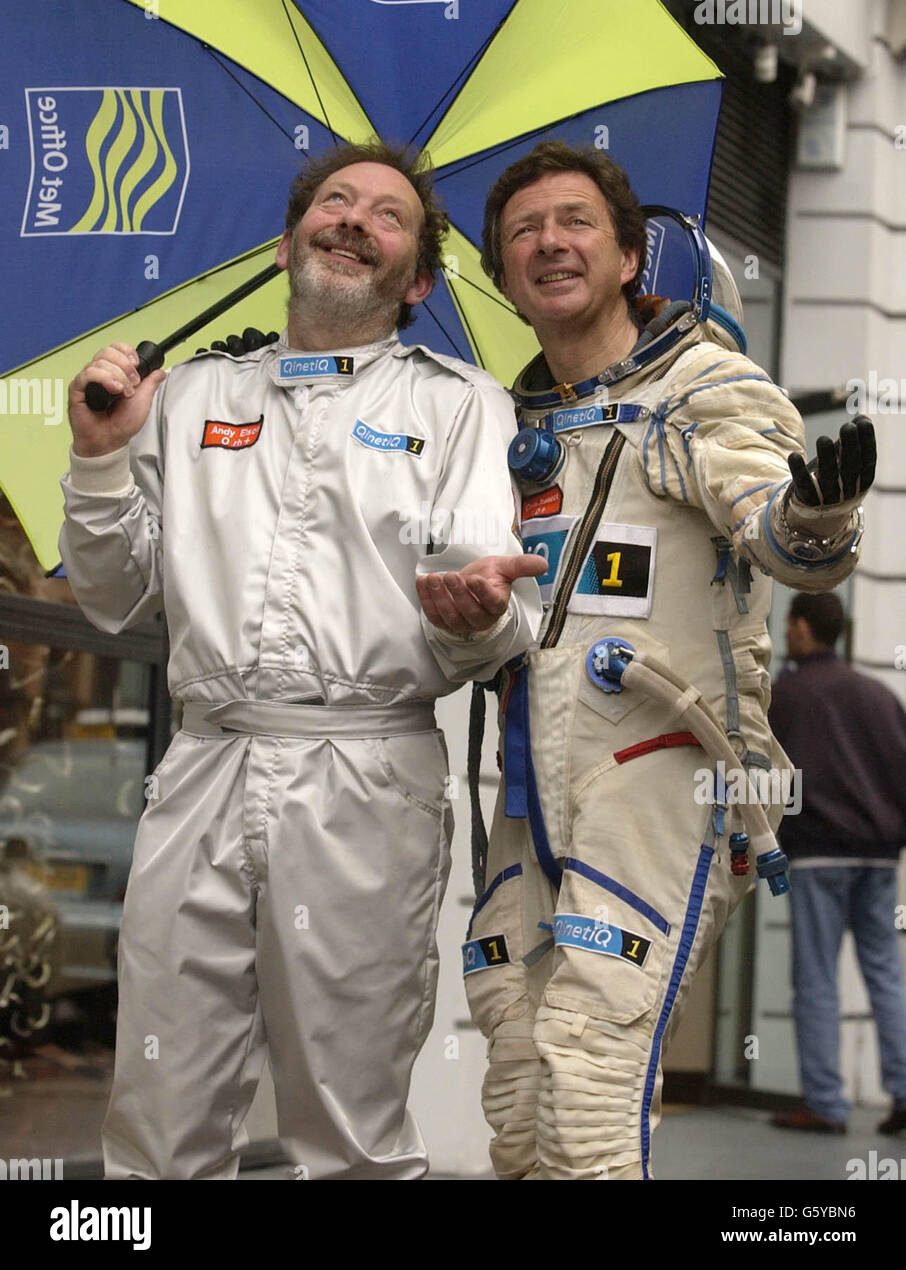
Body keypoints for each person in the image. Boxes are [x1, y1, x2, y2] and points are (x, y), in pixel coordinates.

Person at [59, 140, 544, 1181]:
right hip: (200, 769)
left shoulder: (462, 406)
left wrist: (474, 617)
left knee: (347, 1127)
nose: (354, 219)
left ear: (415, 279)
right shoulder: (181, 398)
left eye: (387, 216)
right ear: (288, 245)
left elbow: (497, 610)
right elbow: (109, 599)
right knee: (158, 1110)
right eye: (335, 201)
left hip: (364, 781)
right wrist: (99, 464)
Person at [447, 139, 876, 1181]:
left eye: (575, 222)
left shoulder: (702, 387)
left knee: (590, 1057)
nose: (549, 243)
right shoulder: (501, 426)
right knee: (513, 1048)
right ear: (505, 277)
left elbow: (772, 525)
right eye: (523, 234)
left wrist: (815, 514)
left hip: (660, 764)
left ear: (633, 256)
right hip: (531, 784)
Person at [768, 592, 906, 1137]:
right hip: (877, 858)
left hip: (817, 856)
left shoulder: (786, 696)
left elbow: (766, 776)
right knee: (887, 975)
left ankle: (825, 1105)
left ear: (802, 627)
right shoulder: (877, 695)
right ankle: (903, 1093)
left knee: (818, 979)